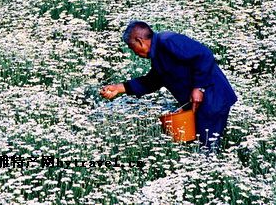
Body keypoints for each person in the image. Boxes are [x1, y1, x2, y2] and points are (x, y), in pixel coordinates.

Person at [99, 21, 237, 152]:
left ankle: (211, 171)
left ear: (140, 41)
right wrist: (119, 88)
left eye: (132, 47)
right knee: (197, 145)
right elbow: (152, 81)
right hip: (199, 104)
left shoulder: (168, 41)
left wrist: (199, 87)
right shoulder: (158, 56)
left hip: (214, 97)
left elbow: (204, 55)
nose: (134, 53)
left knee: (207, 147)